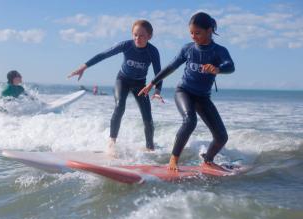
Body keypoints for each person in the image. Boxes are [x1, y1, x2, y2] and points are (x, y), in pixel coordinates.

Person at [139, 12, 235, 171]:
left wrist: (218, 69)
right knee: (190, 121)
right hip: (184, 91)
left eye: (198, 33)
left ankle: (208, 160)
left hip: (203, 97)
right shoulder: (188, 49)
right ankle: (173, 160)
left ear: (209, 30)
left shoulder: (219, 51)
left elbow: (230, 66)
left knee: (221, 137)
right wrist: (152, 83)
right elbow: (171, 66)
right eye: (191, 33)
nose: (193, 36)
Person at [68, 20, 164, 151]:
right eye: (135, 35)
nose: (138, 38)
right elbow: (104, 55)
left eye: (142, 36)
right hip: (123, 80)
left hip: (140, 84)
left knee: (147, 117)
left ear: (149, 36)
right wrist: (84, 67)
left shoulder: (152, 51)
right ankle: (111, 143)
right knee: (120, 106)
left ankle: (150, 149)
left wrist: (157, 91)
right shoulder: (126, 45)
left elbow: (159, 73)